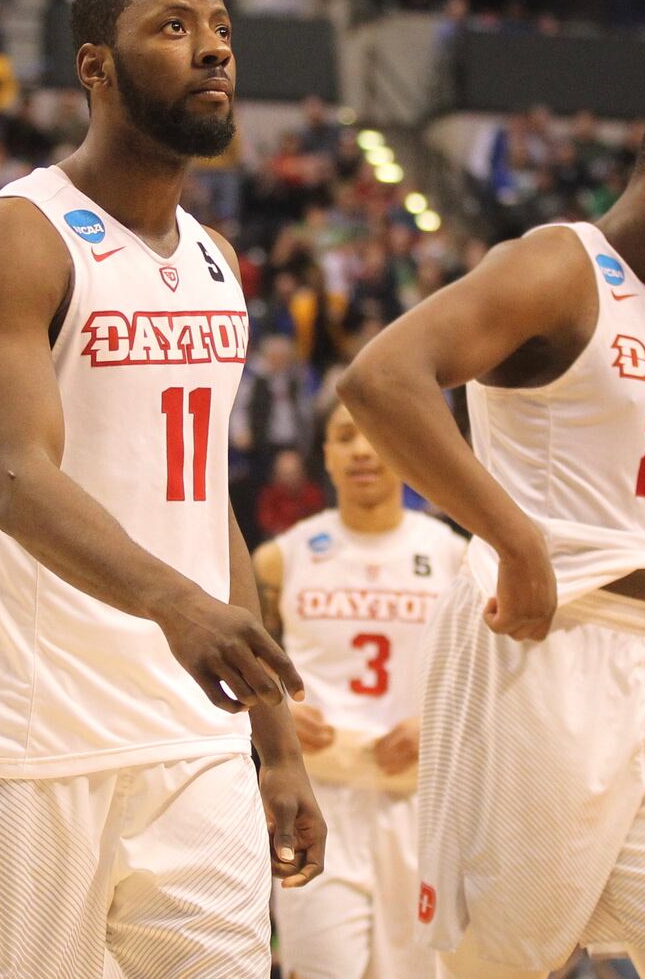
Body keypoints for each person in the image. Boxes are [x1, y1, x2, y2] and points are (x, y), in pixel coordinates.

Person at [0, 0, 324, 978]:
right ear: (96, 66)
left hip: (192, 736)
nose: (213, 45)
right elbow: (13, 479)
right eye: (173, 28)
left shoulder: (215, 261)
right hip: (35, 727)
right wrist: (176, 606)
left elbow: (200, 502)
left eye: (219, 25)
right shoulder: (15, 235)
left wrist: (277, 740)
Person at [337, 90, 645, 978]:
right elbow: (383, 378)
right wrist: (514, 538)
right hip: (541, 651)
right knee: (497, 967)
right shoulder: (558, 265)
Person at [256, 399, 466, 979]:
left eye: (375, 435)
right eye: (345, 437)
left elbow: (499, 677)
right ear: (325, 454)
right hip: (317, 796)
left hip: (422, 801)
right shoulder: (279, 559)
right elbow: (235, 672)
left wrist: (440, 723)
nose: (362, 450)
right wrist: (271, 718)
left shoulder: (456, 555)